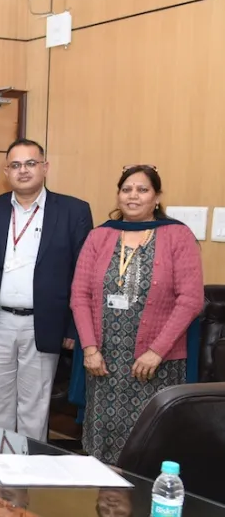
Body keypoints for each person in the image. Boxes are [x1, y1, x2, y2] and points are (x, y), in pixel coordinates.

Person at [70, 165, 203, 464]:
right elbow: (79, 296)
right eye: (126, 189)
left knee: (149, 443)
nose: (133, 196)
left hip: (155, 364)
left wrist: (156, 352)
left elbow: (191, 301)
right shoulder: (99, 236)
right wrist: (90, 349)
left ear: (156, 197)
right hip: (103, 363)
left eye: (142, 190)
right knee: (101, 446)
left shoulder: (177, 236)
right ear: (118, 195)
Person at [0, 139, 92, 441]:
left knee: (35, 405)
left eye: (31, 163)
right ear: (6, 171)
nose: (23, 171)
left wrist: (74, 327)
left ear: (45, 168)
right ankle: (0, 470)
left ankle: (31, 473)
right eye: (16, 165)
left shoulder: (74, 211)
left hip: (44, 322)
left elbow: (82, 275)